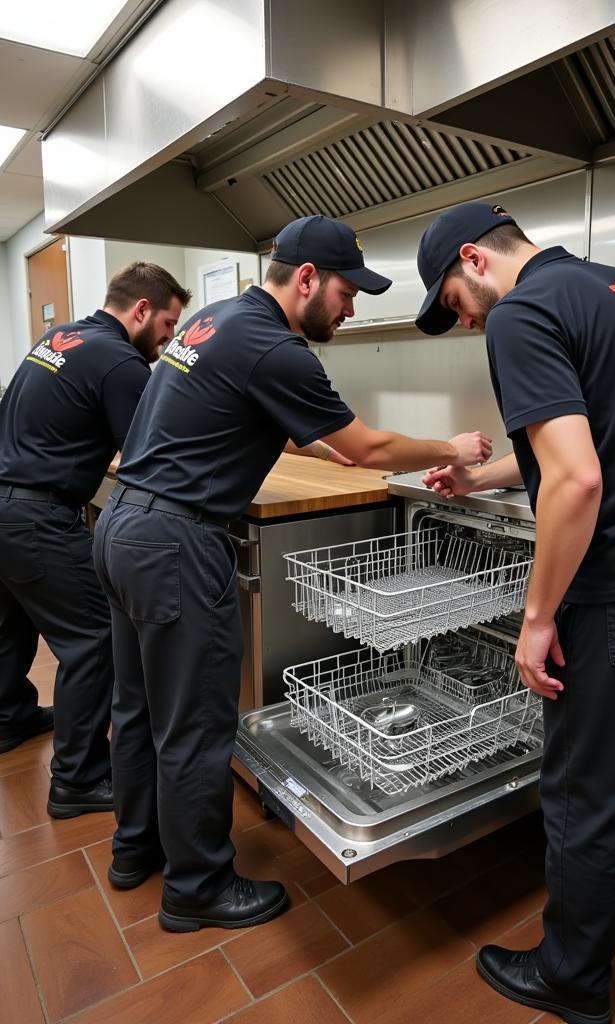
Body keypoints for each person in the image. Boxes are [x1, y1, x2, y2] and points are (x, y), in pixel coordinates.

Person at [93, 215, 493, 932]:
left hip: (126, 524)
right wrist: (453, 446)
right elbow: (370, 447)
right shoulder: (276, 346)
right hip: (176, 543)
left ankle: (136, 851)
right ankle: (197, 888)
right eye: (346, 292)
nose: (351, 308)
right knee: (194, 726)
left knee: (139, 709)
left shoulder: (219, 321)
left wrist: (318, 442)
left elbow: (234, 410)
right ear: (306, 278)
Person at [414, 203, 615, 1024]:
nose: (462, 319)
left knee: (585, 793)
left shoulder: (519, 313)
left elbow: (580, 482)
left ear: (473, 261)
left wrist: (537, 617)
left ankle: (572, 978)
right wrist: (484, 479)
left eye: (452, 299)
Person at [0, 262, 191, 819]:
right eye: (167, 324)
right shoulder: (121, 361)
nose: (170, 338)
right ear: (141, 311)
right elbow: (148, 455)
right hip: (27, 515)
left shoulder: (61, 335)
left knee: (9, 616)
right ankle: (78, 778)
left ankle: (8, 719)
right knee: (92, 639)